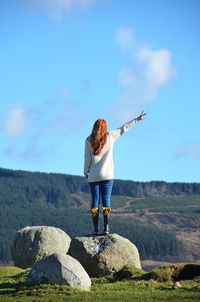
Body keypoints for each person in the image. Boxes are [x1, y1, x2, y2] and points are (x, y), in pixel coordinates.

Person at [84, 111, 147, 235]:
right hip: (107, 175)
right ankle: (106, 228)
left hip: (94, 176)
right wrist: (137, 119)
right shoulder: (111, 136)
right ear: (105, 128)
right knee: (106, 200)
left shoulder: (88, 140)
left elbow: (87, 159)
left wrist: (85, 173)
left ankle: (95, 228)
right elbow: (124, 128)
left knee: (95, 201)